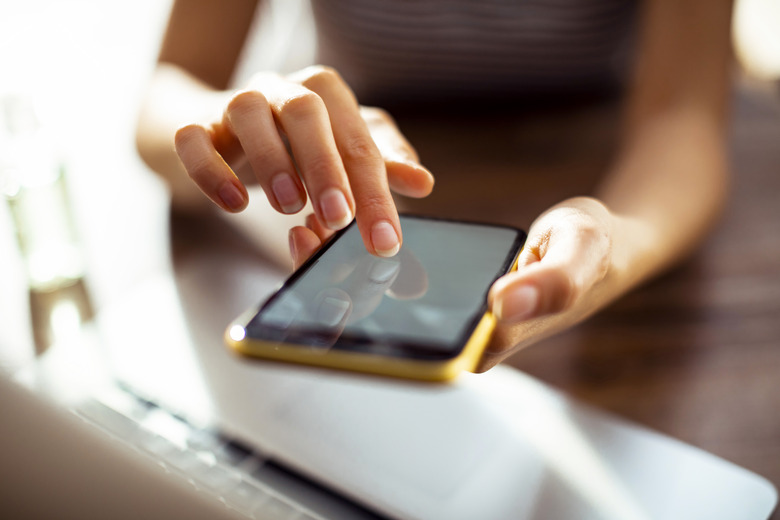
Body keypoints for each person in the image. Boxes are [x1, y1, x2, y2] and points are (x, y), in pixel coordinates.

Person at [136, 0, 733, 371]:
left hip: (595, 138)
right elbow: (167, 92)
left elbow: (682, 117)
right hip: (342, 139)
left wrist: (611, 245)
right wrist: (225, 128)